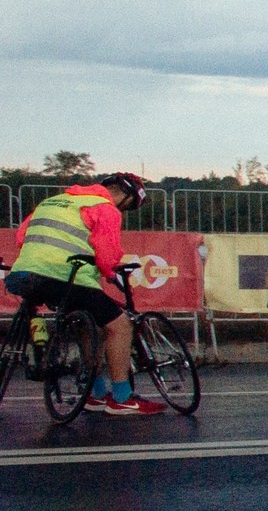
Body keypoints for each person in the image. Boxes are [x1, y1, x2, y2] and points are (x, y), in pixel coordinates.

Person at [3, 170, 162, 415]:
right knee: (119, 326)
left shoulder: (53, 201)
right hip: (67, 276)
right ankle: (121, 398)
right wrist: (111, 273)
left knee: (92, 326)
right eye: (129, 207)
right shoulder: (105, 208)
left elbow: (21, 235)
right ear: (126, 196)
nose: (124, 211)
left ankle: (95, 393)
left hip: (26, 273)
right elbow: (107, 254)